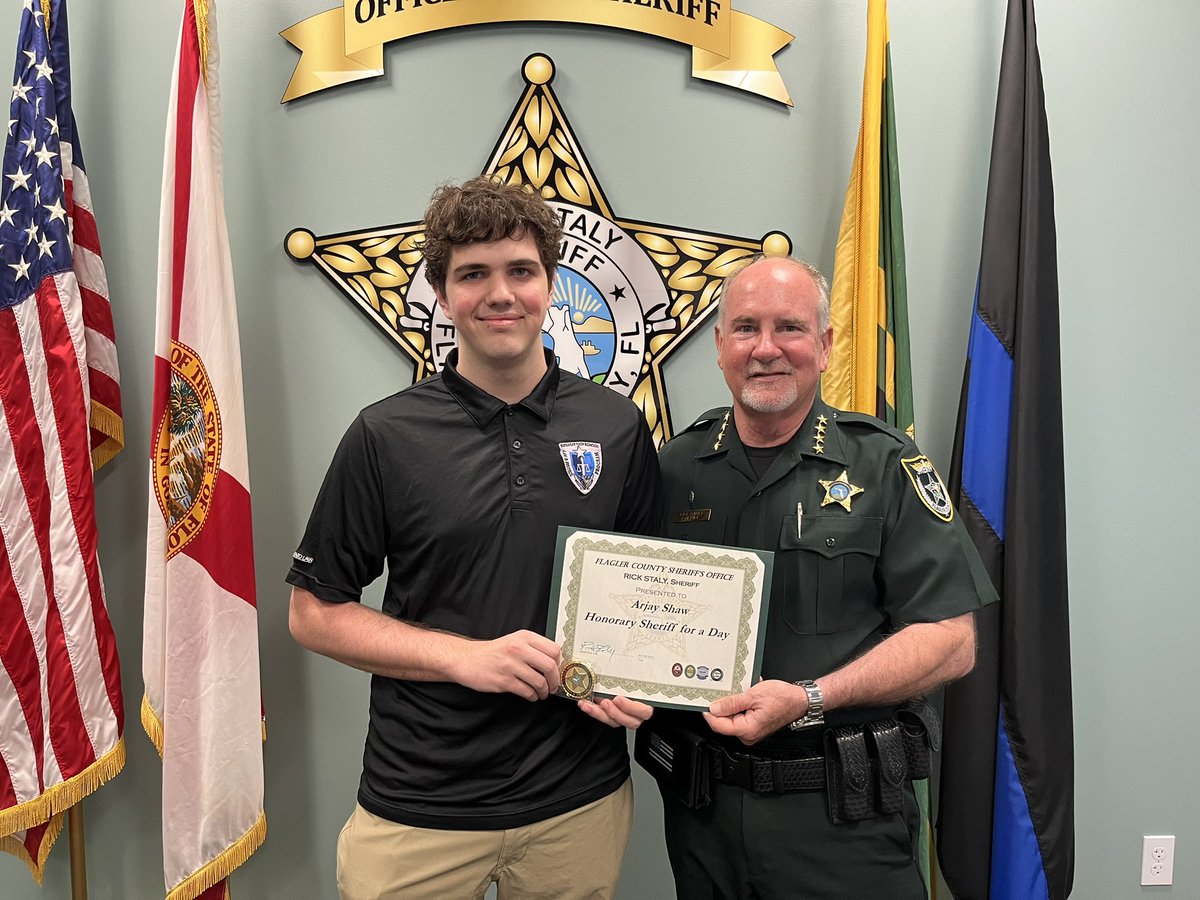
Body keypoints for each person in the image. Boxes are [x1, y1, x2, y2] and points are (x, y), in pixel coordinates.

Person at [287, 176, 662, 900]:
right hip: (420, 804)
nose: (500, 294)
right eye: (473, 275)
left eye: (521, 271)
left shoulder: (617, 426)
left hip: (577, 800)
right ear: (443, 292)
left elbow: (645, 593)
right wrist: (467, 660)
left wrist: (633, 678)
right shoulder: (385, 434)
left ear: (552, 283)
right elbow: (313, 613)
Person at [645, 255, 998, 899]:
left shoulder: (886, 465)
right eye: (746, 327)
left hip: (843, 821)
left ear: (827, 344)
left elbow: (951, 640)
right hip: (705, 820)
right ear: (720, 346)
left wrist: (810, 697)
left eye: (791, 327)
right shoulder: (673, 467)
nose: (767, 348)